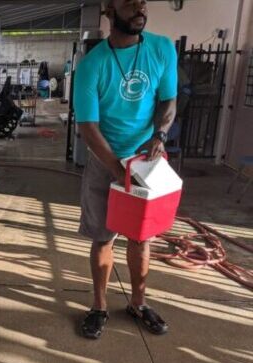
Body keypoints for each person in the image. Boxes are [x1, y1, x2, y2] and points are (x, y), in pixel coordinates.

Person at [73, 0, 177, 339]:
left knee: (140, 235)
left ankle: (138, 302)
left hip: (146, 161)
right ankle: (99, 306)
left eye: (143, 2)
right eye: (130, 2)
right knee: (103, 237)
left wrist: (160, 135)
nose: (139, 8)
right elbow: (88, 126)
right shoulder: (92, 65)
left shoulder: (161, 49)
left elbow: (168, 100)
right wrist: (119, 173)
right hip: (106, 161)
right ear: (109, 9)